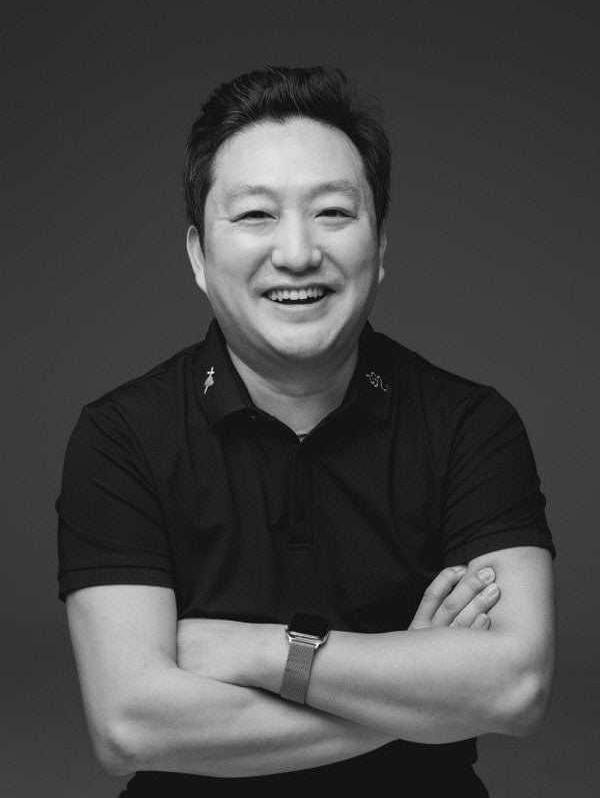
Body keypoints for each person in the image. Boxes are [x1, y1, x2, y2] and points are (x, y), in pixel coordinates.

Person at [56, 66, 556, 796]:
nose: (296, 253)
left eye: (332, 212)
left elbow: (515, 688)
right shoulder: (121, 437)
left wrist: (258, 652)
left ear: (380, 247)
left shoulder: (471, 426)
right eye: (256, 215)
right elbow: (131, 726)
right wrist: (421, 692)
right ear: (198, 255)